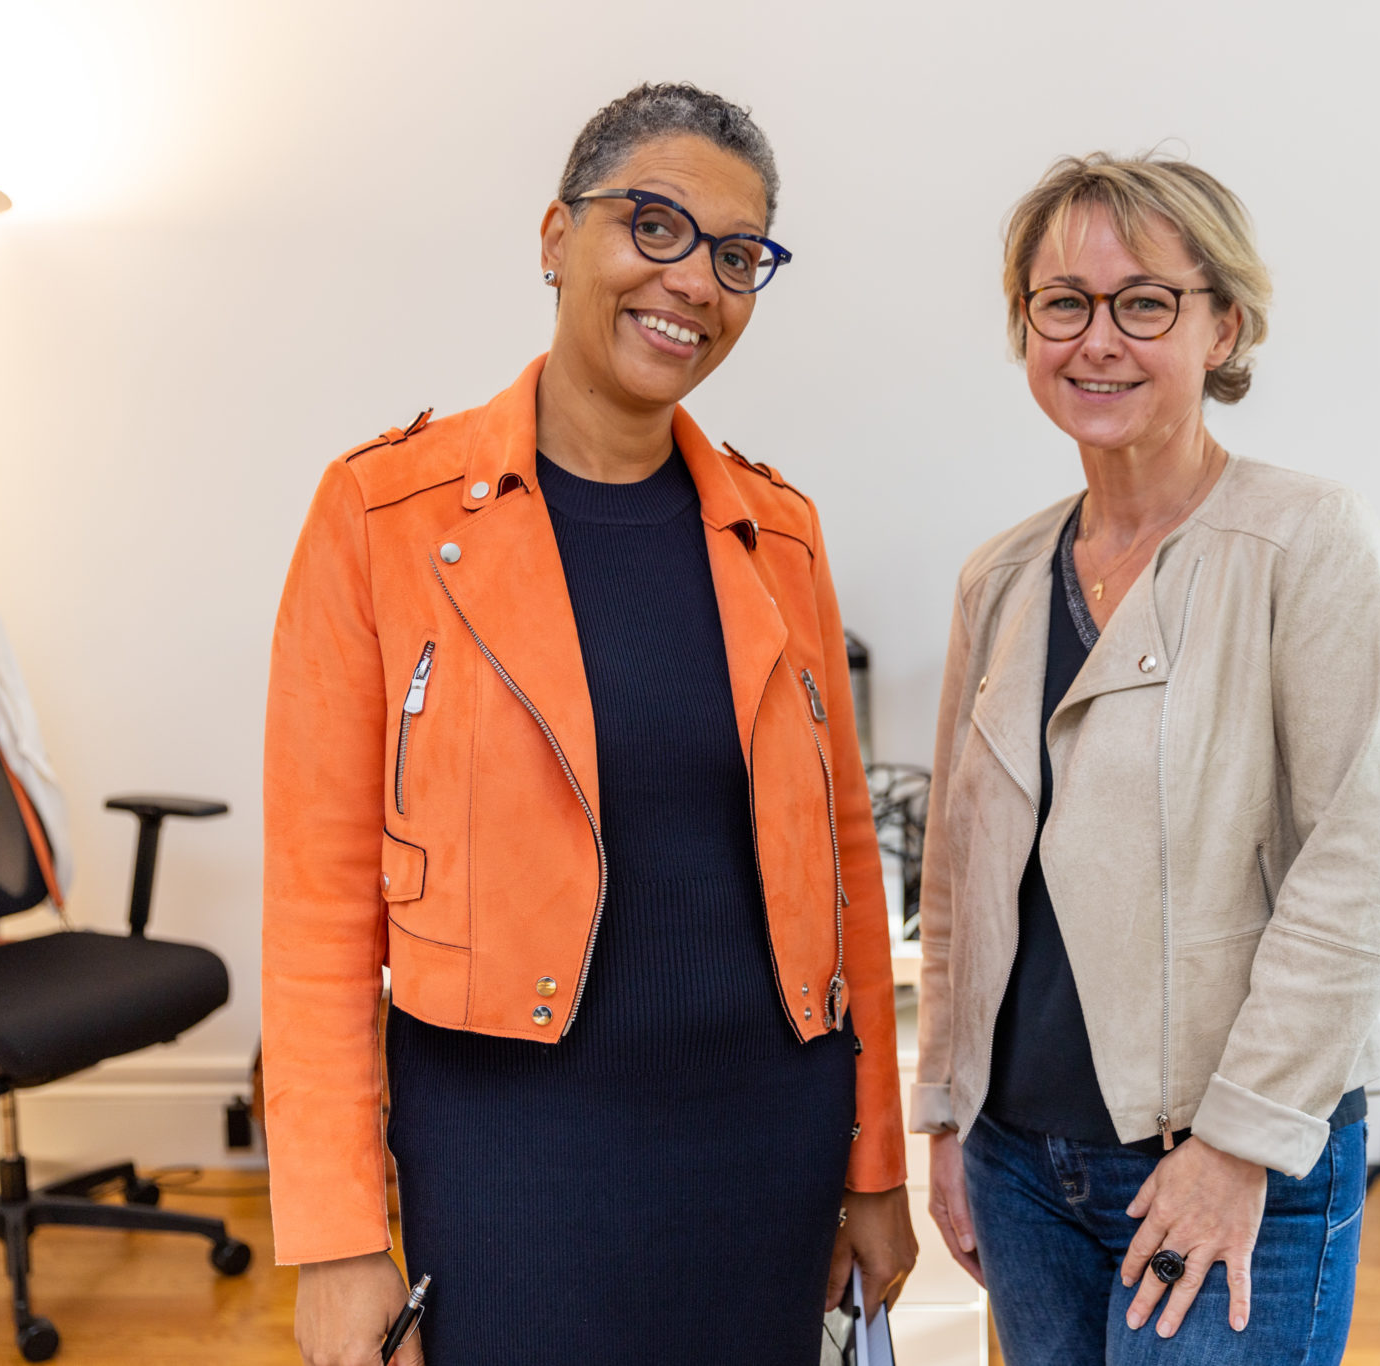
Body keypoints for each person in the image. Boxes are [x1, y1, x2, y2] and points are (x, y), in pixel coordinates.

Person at [263, 83, 916, 1366]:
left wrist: (872, 1164)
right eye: (654, 225)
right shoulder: (381, 517)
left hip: (763, 1137)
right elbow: (317, 910)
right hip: (510, 1141)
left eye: (736, 256)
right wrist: (337, 1238)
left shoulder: (778, 535)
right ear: (558, 235)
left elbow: (846, 870)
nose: (693, 281)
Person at [912, 151, 1380, 1366]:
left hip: (1227, 1155)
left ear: (1222, 325)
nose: (1096, 340)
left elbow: (1360, 864)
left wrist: (1237, 1145)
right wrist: (944, 1114)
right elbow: (959, 874)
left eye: (1143, 302)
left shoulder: (1306, 541)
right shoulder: (996, 578)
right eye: (1061, 303)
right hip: (1021, 1163)